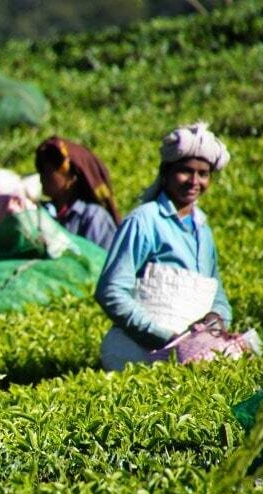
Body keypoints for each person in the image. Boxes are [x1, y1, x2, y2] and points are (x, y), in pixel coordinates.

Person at [95, 122, 233, 370]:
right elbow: (110, 290)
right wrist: (164, 337)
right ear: (166, 172)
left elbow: (215, 291)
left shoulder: (203, 229)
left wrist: (217, 317)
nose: (194, 181)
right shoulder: (144, 220)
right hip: (139, 348)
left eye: (203, 174)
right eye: (185, 171)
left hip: (193, 350)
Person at [34, 136, 122, 249]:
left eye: (47, 171)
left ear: (72, 177)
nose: (42, 176)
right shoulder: (43, 212)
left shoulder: (93, 217)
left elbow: (97, 260)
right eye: (40, 170)